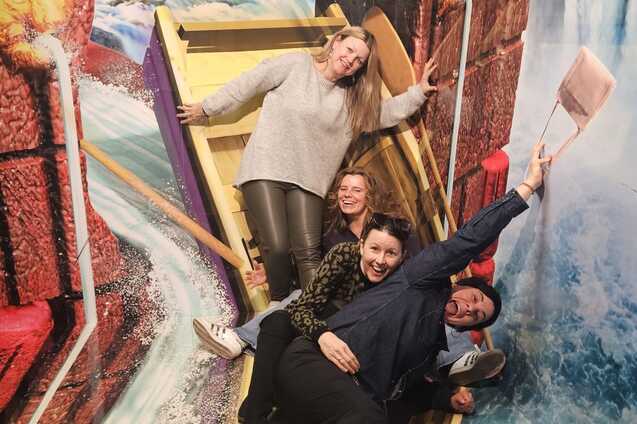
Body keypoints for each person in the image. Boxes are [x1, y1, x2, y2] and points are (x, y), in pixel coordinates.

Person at [273, 144, 551, 423]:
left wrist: (447, 399)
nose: (470, 308)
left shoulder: (427, 351)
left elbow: (408, 397)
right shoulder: (420, 277)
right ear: (459, 285)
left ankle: (460, 364)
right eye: (475, 299)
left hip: (343, 398)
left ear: (465, 326)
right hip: (317, 363)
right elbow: (470, 239)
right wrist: (527, 187)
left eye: (476, 316)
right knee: (370, 418)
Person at [178, 26, 438, 302]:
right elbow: (250, 82)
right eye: (349, 50)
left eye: (359, 60)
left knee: (308, 253)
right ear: (336, 42)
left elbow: (384, 114)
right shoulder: (296, 64)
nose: (350, 60)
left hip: (310, 182)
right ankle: (280, 307)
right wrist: (208, 108)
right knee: (277, 246)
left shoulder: (352, 99)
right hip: (266, 169)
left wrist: (419, 92)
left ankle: (314, 311)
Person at [193, 167, 400, 358]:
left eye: (356, 190)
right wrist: (270, 273)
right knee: (302, 294)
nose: (347, 195)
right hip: (336, 298)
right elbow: (319, 266)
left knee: (303, 296)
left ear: (370, 195)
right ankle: (242, 339)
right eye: (343, 189)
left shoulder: (386, 227)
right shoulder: (334, 231)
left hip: (372, 300)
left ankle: (241, 338)